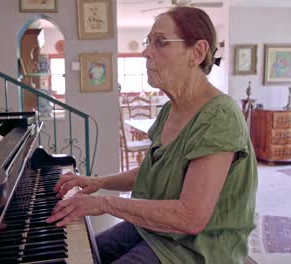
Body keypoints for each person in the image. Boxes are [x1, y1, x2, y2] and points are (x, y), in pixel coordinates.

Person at [46, 6, 258, 264]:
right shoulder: (170, 109)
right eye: (149, 42)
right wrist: (98, 182)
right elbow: (150, 172)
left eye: (160, 42)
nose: (146, 51)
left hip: (199, 247)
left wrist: (104, 204)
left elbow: (190, 217)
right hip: (158, 230)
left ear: (198, 52)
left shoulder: (219, 116)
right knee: (78, 256)